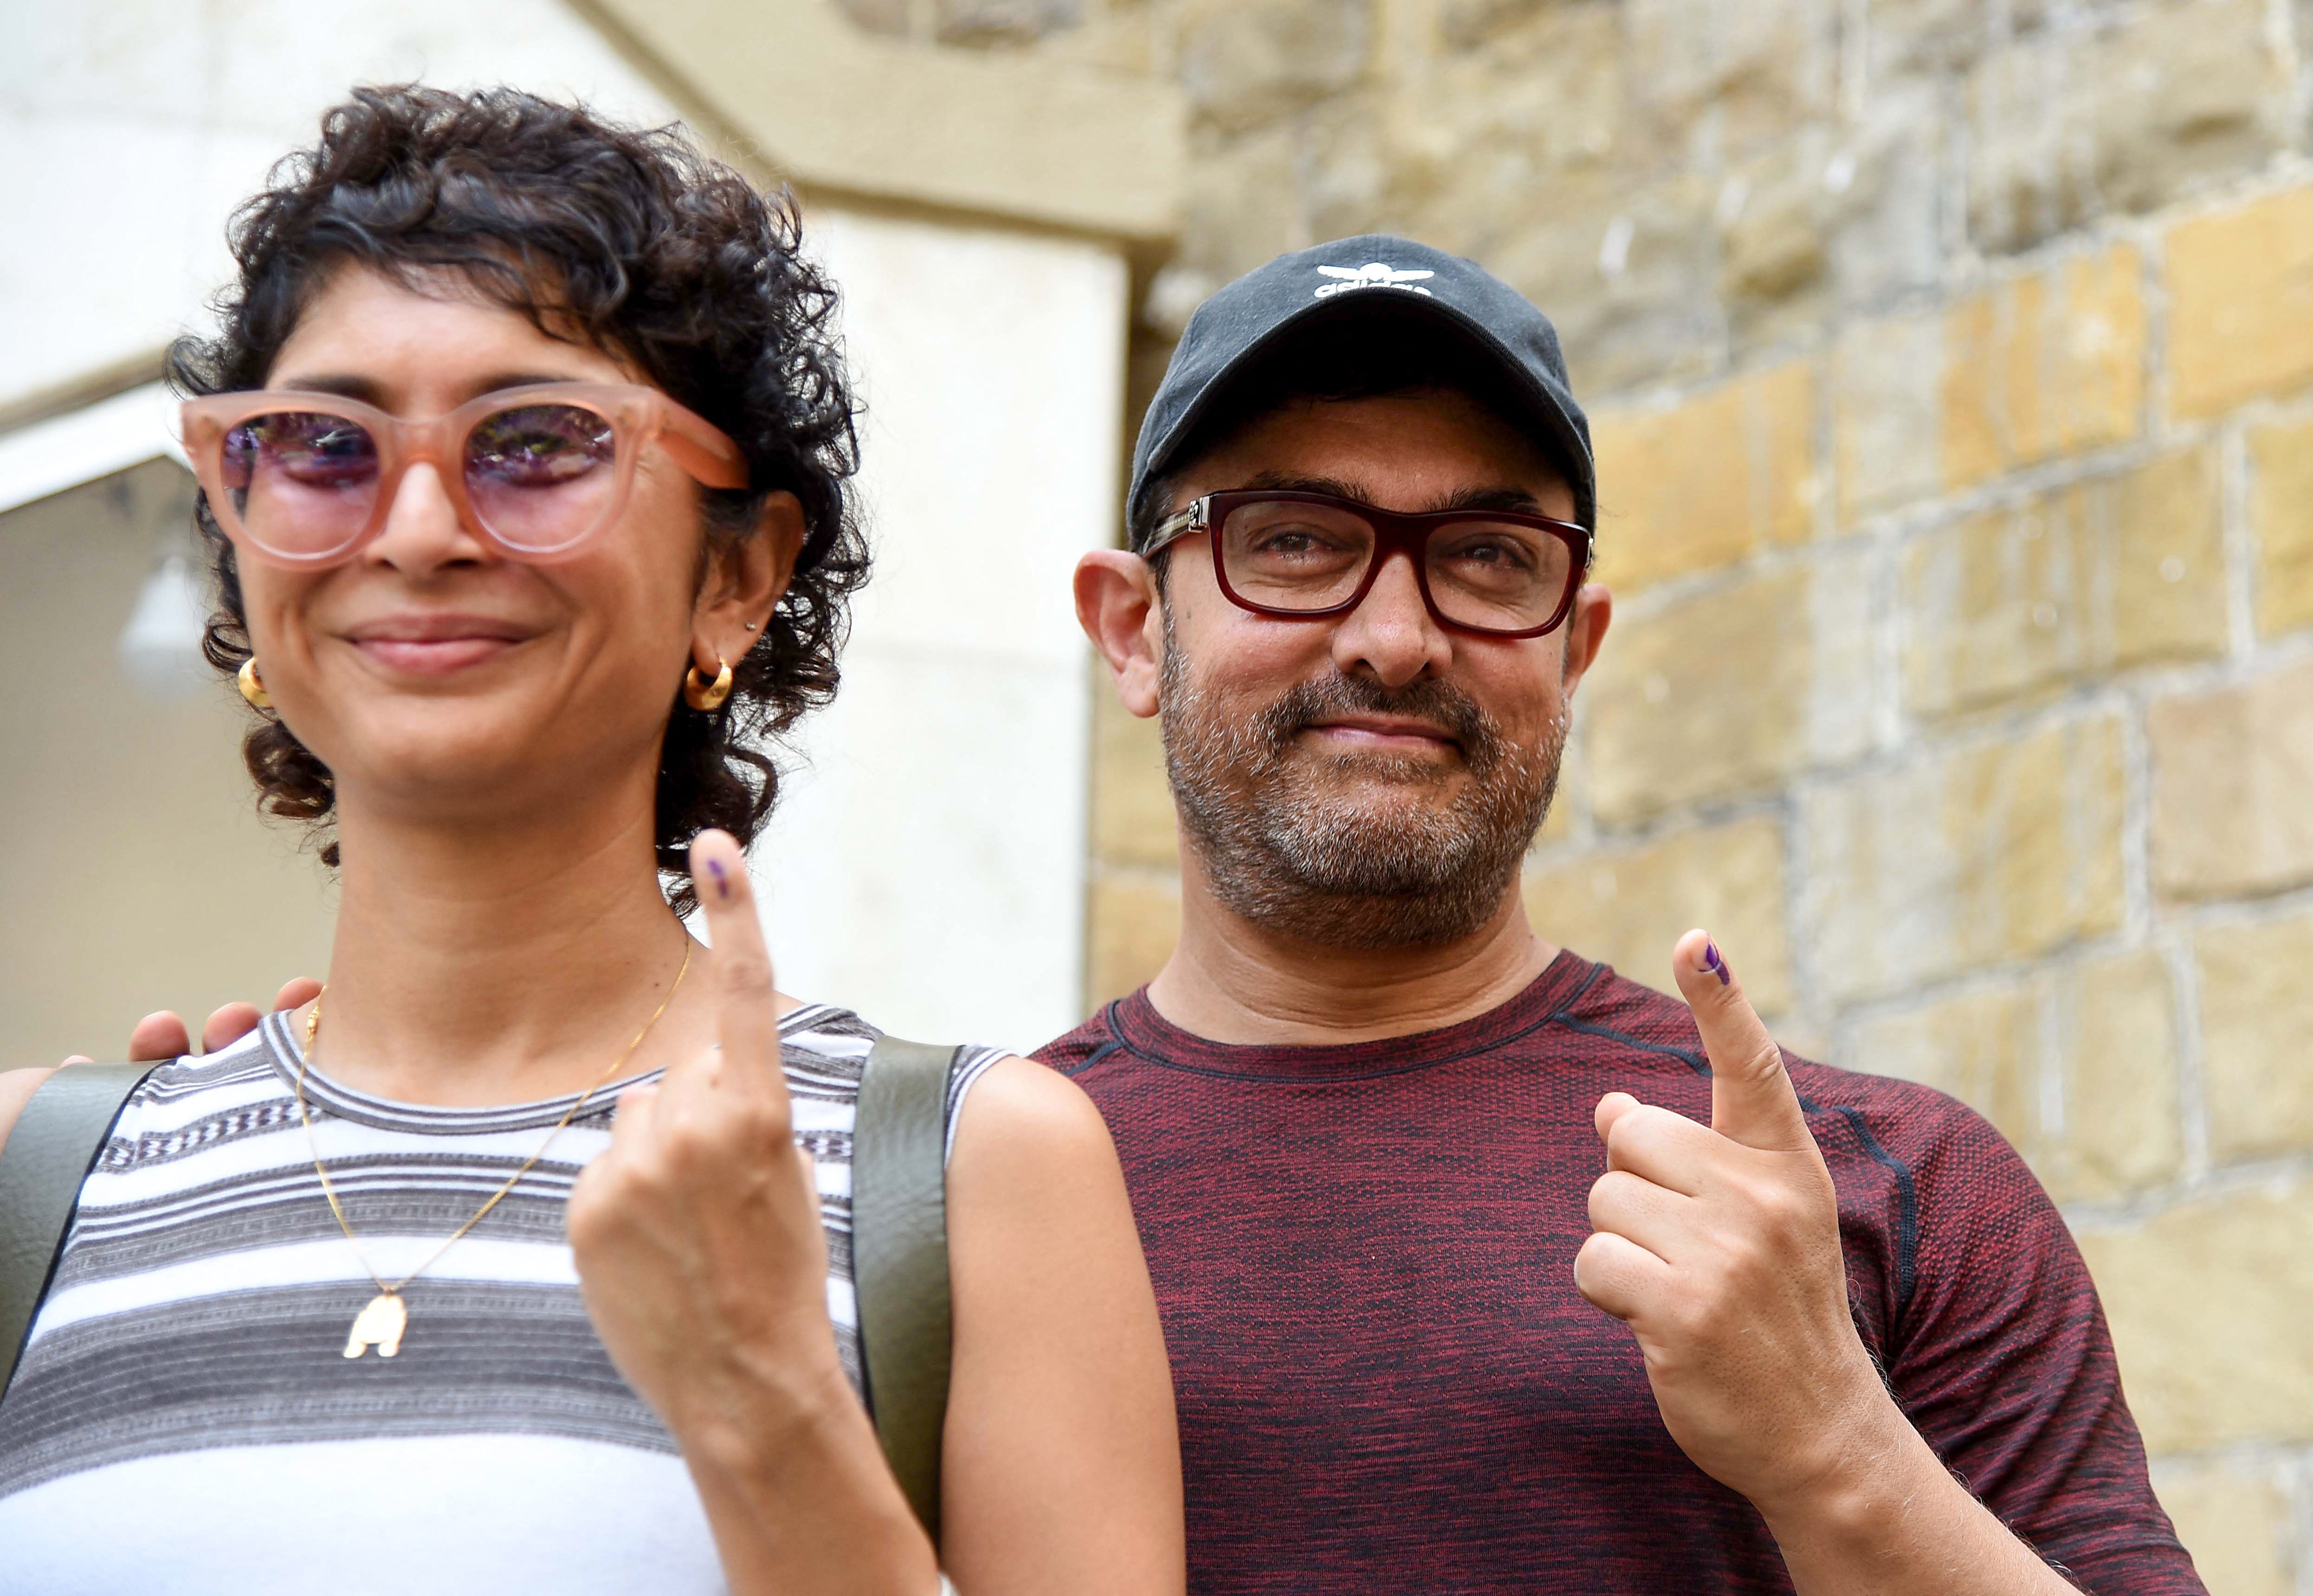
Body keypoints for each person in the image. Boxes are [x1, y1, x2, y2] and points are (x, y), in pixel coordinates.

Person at [0, 86, 1182, 1596]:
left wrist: (765, 1397)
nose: (417, 530)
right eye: (319, 443)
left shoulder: (975, 1181)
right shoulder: (43, 1175)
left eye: (537, 443)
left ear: (739, 575)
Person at [1049, 238, 2207, 1592]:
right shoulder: (969, 1195)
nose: (1398, 636)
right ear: (1133, 629)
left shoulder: (1885, 1189)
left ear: (1575, 646)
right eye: (1295, 541)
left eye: (1487, 555)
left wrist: (1837, 1443)